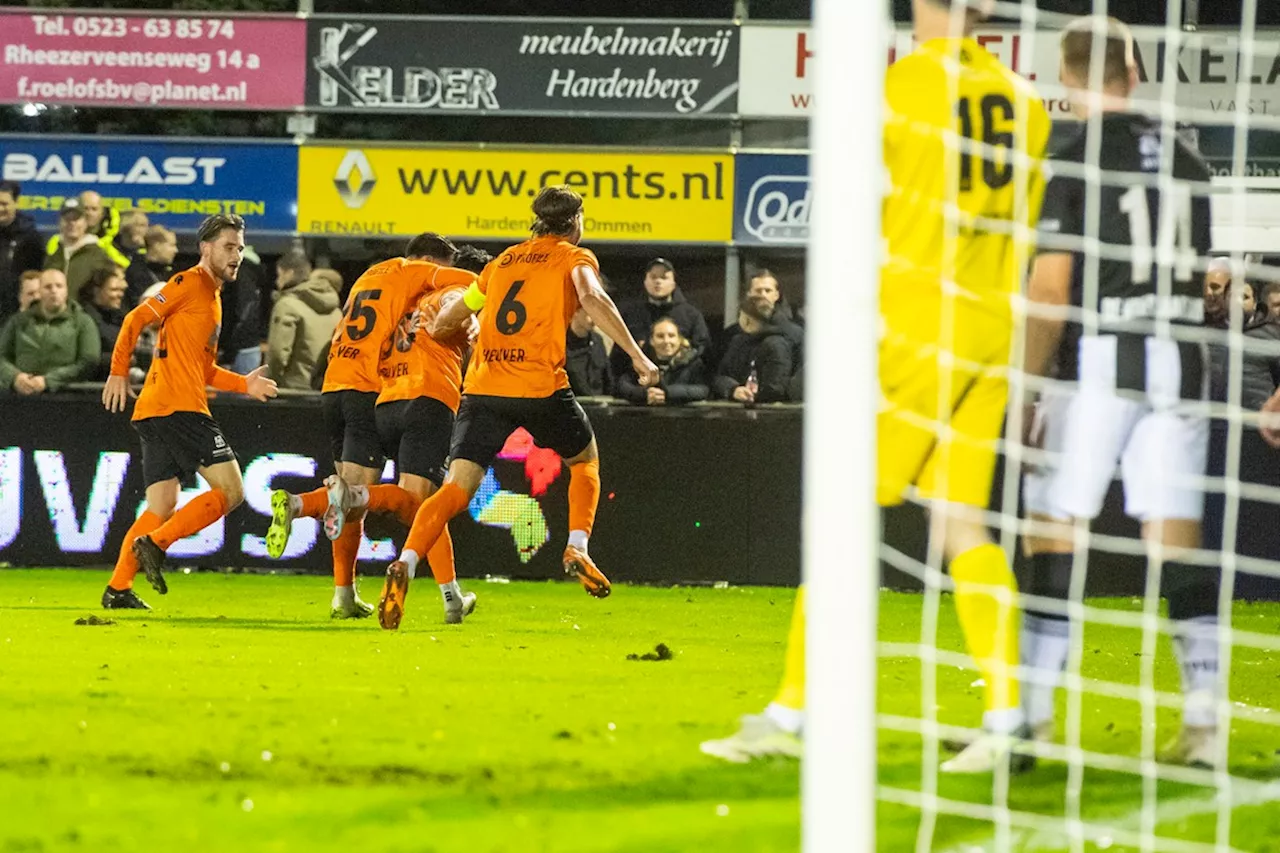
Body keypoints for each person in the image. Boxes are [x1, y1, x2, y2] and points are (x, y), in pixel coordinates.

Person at [703, 0, 1050, 770]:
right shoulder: (1026, 106)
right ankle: (1009, 713)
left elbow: (863, 210)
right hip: (994, 330)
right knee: (962, 523)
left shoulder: (905, 87)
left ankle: (791, 715)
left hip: (921, 329)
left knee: (841, 521)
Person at [1017, 17, 1221, 768]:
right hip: (1185, 358)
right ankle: (1204, 720)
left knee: (1052, 525)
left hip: (1109, 358)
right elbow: (1200, 277)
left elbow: (1052, 284)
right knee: (1176, 542)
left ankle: (1030, 717)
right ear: (1134, 74)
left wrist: (1026, 385)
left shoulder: (1072, 153)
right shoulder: (1188, 155)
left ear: (1067, 82)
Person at [372, 186, 660, 631]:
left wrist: (440, 323)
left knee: (454, 490)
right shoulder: (574, 257)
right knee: (584, 461)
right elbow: (592, 297)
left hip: (485, 389)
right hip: (540, 386)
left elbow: (456, 313)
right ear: (575, 221)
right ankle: (577, 547)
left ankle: (406, 564)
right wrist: (638, 357)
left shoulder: (500, 262)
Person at [99, 213, 278, 610]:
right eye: (229, 247)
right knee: (231, 492)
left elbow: (205, 368)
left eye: (241, 248)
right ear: (206, 249)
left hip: (158, 409)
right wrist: (117, 372)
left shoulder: (211, 298)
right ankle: (157, 544)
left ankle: (118, 588)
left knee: (161, 506)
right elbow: (135, 317)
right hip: (178, 407)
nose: (237, 255)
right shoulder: (189, 282)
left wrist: (243, 384)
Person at [301, 232, 465, 619]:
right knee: (414, 503)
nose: (438, 278)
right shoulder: (426, 289)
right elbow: (463, 293)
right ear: (425, 261)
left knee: (354, 503)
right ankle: (446, 594)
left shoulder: (373, 279)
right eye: (439, 270)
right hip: (398, 394)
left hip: (352, 390)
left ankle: (343, 594)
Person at [0, 268, 100, 395]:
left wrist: (49, 381)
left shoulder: (82, 322)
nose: (54, 291)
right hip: (21, 397)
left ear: (66, 290)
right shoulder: (18, 321)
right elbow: (2, 356)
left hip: (66, 397)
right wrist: (15, 377)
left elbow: (89, 360)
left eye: (59, 286)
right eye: (48, 287)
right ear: (40, 291)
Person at [612, 258, 711, 377]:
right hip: (638, 381)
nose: (658, 281)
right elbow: (618, 355)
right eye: (653, 277)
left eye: (664, 277)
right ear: (645, 281)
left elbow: (703, 349)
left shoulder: (691, 315)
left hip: (680, 381)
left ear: (673, 283)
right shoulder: (631, 314)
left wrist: (682, 360)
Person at [265, 249, 343, 391]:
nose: (277, 281)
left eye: (279, 274)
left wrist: (271, 381)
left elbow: (278, 353)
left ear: (289, 273)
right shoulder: (336, 310)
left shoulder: (287, 305)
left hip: (293, 389)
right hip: (325, 387)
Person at [713, 295, 794, 405]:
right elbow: (720, 377)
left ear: (746, 320)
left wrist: (751, 395)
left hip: (767, 414)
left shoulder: (776, 344)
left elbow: (776, 389)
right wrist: (733, 389)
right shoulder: (737, 341)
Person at [616, 316, 708, 406]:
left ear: (679, 339)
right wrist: (644, 394)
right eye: (660, 336)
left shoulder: (693, 362)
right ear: (652, 340)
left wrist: (667, 393)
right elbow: (622, 385)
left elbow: (703, 389)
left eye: (671, 336)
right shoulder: (641, 361)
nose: (666, 341)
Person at [43, 199, 115, 298]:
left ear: (85, 222)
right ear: (60, 222)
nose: (72, 223)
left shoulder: (99, 256)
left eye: (76, 219)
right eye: (67, 219)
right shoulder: (53, 256)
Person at [0, 181, 45, 323]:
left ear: (16, 203)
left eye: (4, 203)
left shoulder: (30, 238)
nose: (0, 208)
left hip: (18, 316)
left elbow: (37, 275)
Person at [79, 265, 128, 380]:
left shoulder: (120, 316)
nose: (119, 295)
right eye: (114, 290)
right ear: (97, 291)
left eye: (121, 290)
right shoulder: (84, 318)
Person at [126, 225, 178, 307]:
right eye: (172, 245)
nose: (176, 250)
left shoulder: (168, 272)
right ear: (157, 245)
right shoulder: (135, 272)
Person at [565, 307, 612, 397]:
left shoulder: (597, 341)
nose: (594, 318)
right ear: (576, 312)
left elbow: (607, 378)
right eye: (589, 312)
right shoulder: (561, 342)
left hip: (598, 404)